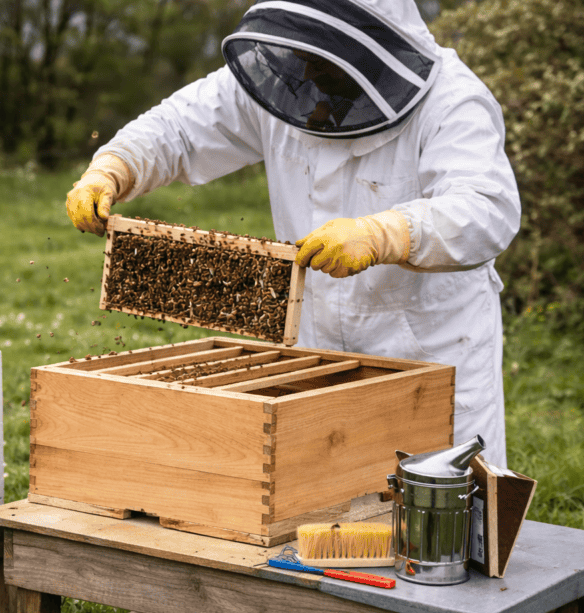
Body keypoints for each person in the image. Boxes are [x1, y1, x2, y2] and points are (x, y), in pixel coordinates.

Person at [65, 0, 519, 468]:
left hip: (430, 350)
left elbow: (487, 209)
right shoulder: (288, 78)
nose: (305, 68)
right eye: (302, 48)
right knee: (326, 516)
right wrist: (114, 167)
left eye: (322, 55)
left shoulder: (452, 100)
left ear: (365, 43)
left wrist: (388, 233)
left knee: (446, 524)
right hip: (315, 348)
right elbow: (179, 128)